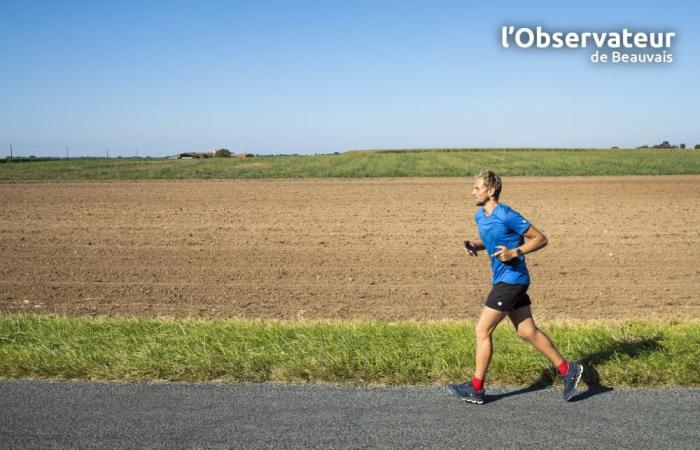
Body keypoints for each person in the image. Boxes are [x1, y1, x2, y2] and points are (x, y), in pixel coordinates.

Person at [447, 170, 583, 404]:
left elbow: (540, 238)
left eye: (477, 188)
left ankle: (476, 388)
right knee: (526, 331)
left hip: (512, 280)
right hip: (504, 280)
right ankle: (568, 370)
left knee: (482, 330)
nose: (472, 192)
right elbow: (491, 240)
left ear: (491, 191)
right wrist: (476, 245)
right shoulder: (480, 216)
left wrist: (515, 252)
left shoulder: (506, 214)